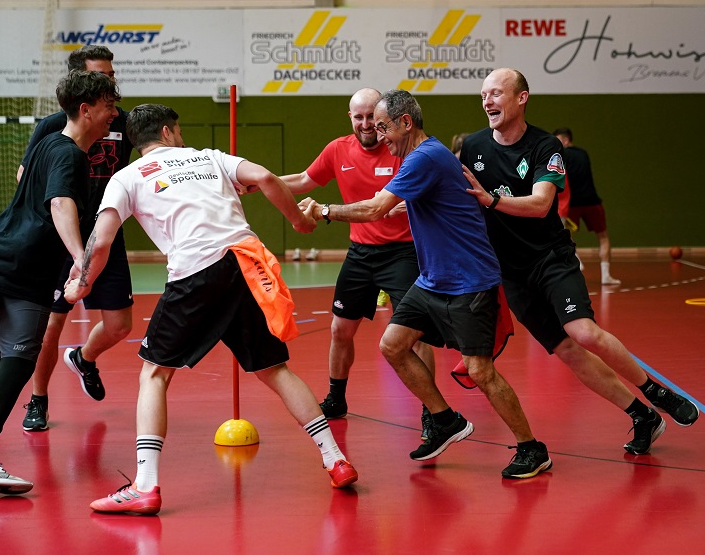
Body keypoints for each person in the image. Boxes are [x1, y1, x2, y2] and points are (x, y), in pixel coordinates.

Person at [64, 103, 358, 515]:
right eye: (178, 130)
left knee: (154, 373)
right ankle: (335, 459)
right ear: (167, 132)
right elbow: (265, 177)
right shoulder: (209, 157)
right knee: (275, 370)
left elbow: (103, 237)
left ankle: (145, 486)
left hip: (195, 272)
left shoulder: (126, 178)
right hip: (246, 264)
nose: (181, 136)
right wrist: (298, 221)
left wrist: (82, 281)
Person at [299, 89, 551, 479]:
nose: (380, 136)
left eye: (383, 127)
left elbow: (373, 209)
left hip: (468, 279)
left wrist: (325, 210)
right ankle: (444, 419)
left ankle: (531, 448)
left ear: (405, 122)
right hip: (433, 279)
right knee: (393, 344)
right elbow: (404, 202)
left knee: (481, 371)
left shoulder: (423, 157)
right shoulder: (423, 158)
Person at [461, 68, 699, 456]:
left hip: (550, 258)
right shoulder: (473, 147)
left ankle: (656, 392)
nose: (487, 101)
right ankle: (643, 416)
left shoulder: (545, 146)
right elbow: (454, 195)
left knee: (583, 332)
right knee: (567, 350)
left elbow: (540, 205)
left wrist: (491, 199)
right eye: (483, 94)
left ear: (521, 98)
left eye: (496, 93)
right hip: (512, 272)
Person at [0, 70, 121, 494]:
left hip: (3, 254)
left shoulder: (48, 145)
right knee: (19, 358)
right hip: (24, 267)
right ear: (86, 108)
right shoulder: (69, 154)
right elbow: (59, 202)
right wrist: (80, 257)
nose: (114, 114)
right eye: (109, 105)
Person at [280, 88, 435, 439]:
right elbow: (305, 181)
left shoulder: (401, 149)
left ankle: (432, 411)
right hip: (361, 254)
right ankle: (336, 398)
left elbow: (419, 195)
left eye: (373, 118)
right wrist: (259, 183)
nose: (367, 125)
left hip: (404, 252)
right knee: (340, 330)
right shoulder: (338, 149)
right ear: (350, 117)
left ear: (384, 120)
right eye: (359, 117)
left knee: (416, 335)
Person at [18, 46, 134, 433]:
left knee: (119, 325)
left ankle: (84, 358)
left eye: (112, 74)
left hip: (106, 233)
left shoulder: (122, 121)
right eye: (102, 76)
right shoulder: (54, 127)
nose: (111, 81)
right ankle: (38, 400)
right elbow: (26, 176)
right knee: (51, 326)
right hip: (61, 239)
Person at [553, 127, 620, 284]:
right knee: (603, 237)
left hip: (572, 204)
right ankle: (606, 275)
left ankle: (576, 258)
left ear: (566, 140)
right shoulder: (583, 154)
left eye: (558, 140)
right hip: (592, 201)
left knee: (565, 235)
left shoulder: (559, 156)